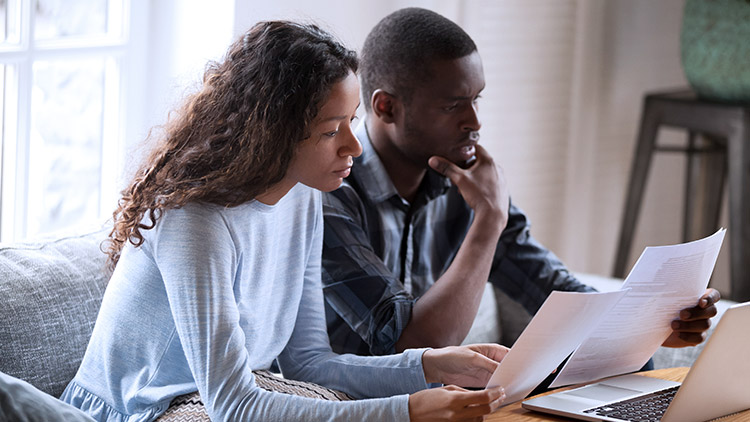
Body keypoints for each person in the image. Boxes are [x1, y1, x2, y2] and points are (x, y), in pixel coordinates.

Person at [60, 20, 511, 422]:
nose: (353, 146)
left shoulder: (303, 199)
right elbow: (234, 405)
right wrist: (407, 410)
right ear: (272, 132)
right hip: (141, 409)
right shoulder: (193, 220)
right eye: (333, 130)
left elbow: (308, 364)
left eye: (352, 122)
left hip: (219, 401)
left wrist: (432, 364)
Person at [321, 7, 720, 358]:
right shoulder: (331, 197)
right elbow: (413, 347)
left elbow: (550, 288)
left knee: (630, 369)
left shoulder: (464, 181)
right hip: (355, 402)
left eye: (477, 100)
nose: (474, 123)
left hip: (449, 400)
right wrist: (489, 219)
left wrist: (653, 322)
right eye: (452, 106)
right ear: (386, 107)